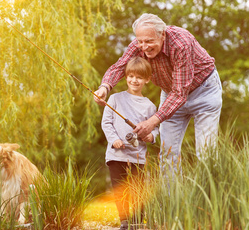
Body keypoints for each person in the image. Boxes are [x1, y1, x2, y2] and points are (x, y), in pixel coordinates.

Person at [94, 13, 222, 177]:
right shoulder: (138, 45)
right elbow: (120, 66)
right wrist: (105, 87)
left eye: (149, 41)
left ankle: (209, 200)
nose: (144, 46)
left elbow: (180, 93)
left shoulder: (181, 44)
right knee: (168, 153)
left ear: (163, 34)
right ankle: (171, 201)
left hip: (204, 92)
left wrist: (152, 121)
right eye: (140, 41)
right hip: (171, 94)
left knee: (206, 153)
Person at [101, 56, 159, 230]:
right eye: (131, 76)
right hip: (116, 155)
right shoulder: (115, 98)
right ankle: (124, 225)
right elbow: (106, 122)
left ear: (147, 79)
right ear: (126, 77)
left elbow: (156, 128)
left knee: (138, 190)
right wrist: (114, 140)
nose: (134, 80)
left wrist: (151, 136)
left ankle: (137, 224)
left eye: (139, 77)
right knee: (120, 189)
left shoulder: (150, 106)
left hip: (138, 157)